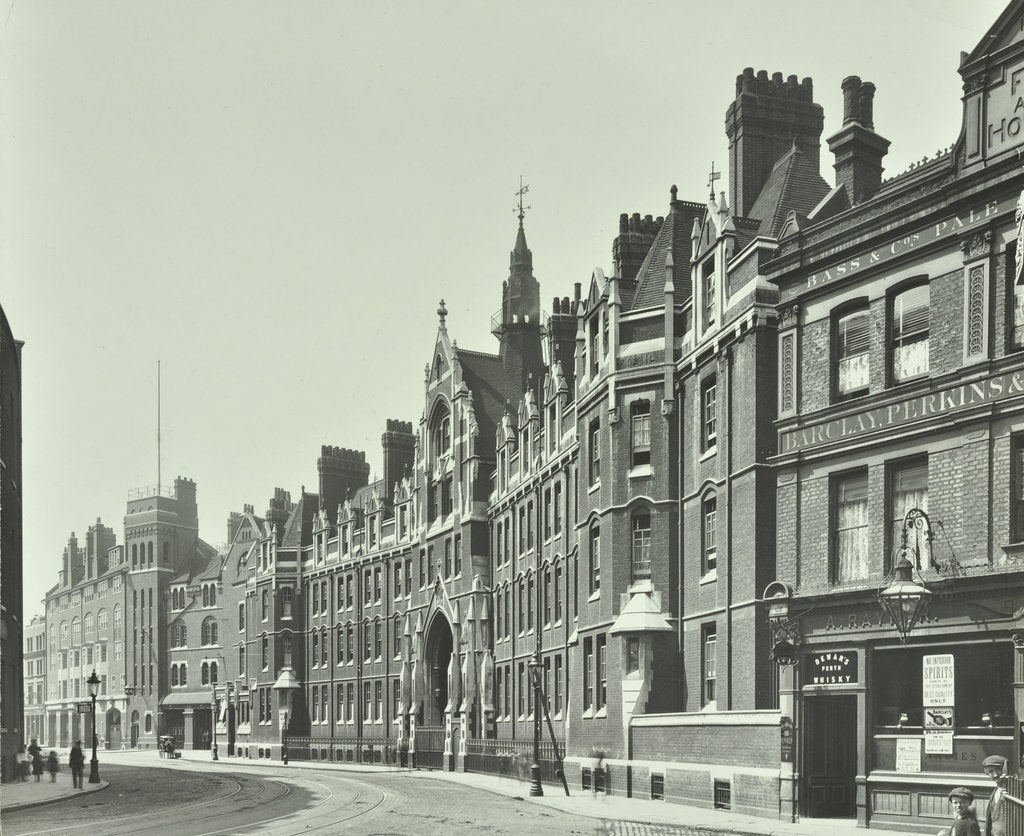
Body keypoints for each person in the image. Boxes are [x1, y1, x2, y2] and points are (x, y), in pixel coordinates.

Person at [982, 755, 1008, 836]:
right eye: (991, 772)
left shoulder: (1011, 792)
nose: (995, 775)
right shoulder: (996, 791)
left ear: (1005, 770)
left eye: (998, 770)